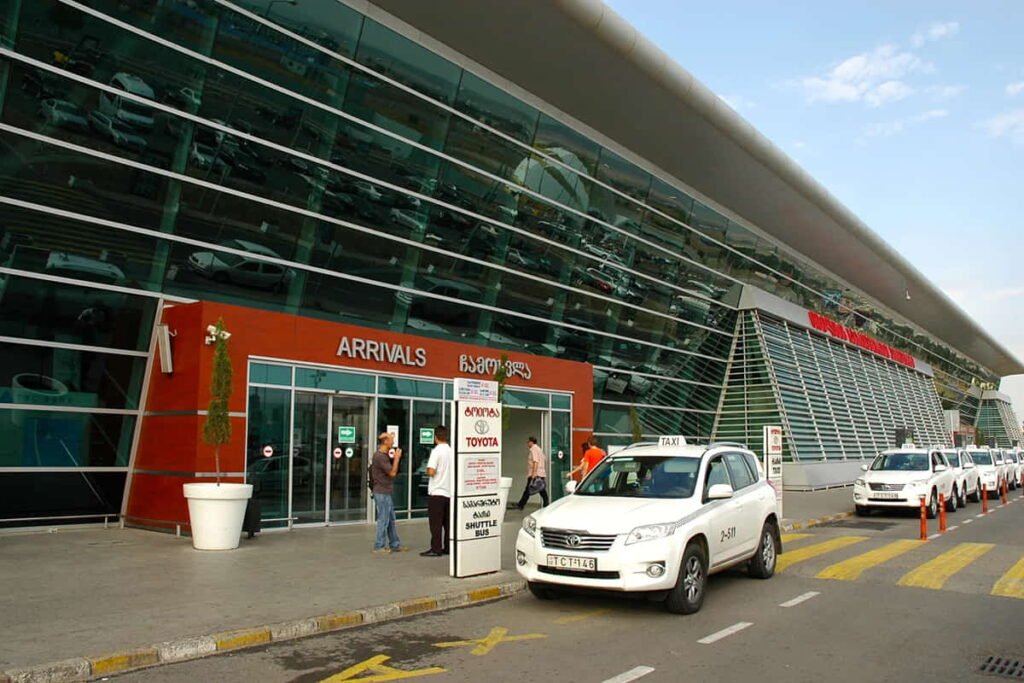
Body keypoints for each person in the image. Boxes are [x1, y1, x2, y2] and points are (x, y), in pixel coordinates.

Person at [371, 431, 407, 554]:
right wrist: (396, 459)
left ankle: (394, 544)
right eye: (391, 440)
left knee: (390, 519)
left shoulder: (382, 455)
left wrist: (390, 434)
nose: (393, 442)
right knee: (384, 519)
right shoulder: (380, 456)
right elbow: (392, 473)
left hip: (385, 491)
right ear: (385, 441)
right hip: (382, 492)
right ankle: (379, 546)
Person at [421, 425, 452, 557]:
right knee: (448, 523)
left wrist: (427, 470)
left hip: (437, 492)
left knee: (435, 523)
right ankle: (448, 547)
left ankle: (436, 548)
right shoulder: (452, 451)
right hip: (449, 492)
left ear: (436, 437)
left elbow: (431, 471)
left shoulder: (436, 451)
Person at [516, 436, 549, 510]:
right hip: (540, 473)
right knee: (541, 489)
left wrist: (534, 473)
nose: (527, 444)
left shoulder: (533, 449)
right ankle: (546, 503)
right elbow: (544, 459)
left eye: (528, 442)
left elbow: (535, 461)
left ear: (531, 442)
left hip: (535, 473)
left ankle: (521, 504)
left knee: (529, 488)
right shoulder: (539, 449)